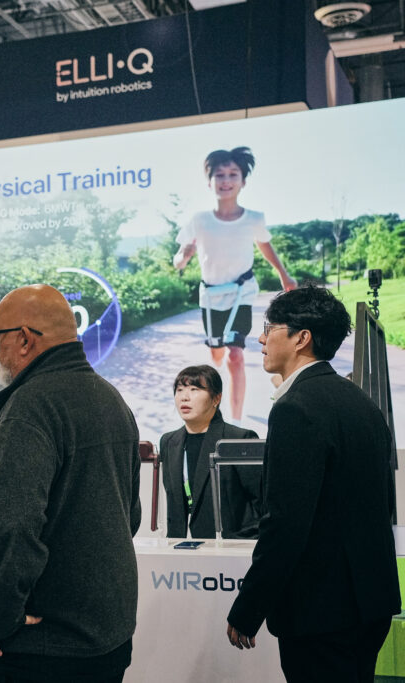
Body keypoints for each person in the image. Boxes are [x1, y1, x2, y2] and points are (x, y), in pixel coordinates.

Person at [0, 284, 142, 683]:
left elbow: (11, 525)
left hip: (41, 649)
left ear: (24, 339)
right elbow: (130, 515)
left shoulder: (30, 407)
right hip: (104, 637)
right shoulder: (111, 399)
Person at [226, 286, 400, 681]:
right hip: (368, 601)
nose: (261, 339)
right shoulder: (361, 402)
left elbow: (285, 522)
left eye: (269, 328)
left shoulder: (296, 407)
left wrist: (249, 606)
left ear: (301, 337)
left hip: (322, 611)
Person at [173, 146, 296, 422]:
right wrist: (185, 256)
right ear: (210, 182)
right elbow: (178, 261)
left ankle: (235, 421)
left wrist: (284, 275)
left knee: (235, 355)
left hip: (242, 292)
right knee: (217, 354)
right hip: (210, 296)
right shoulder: (199, 220)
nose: (226, 180)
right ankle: (216, 358)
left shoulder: (253, 218)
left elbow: (265, 246)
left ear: (243, 181)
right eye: (219, 175)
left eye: (233, 174)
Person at [160, 365, 262, 539]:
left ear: (216, 398)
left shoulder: (238, 439)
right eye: (179, 390)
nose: (184, 397)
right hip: (181, 547)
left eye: (194, 389)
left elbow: (262, 500)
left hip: (233, 546)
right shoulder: (169, 442)